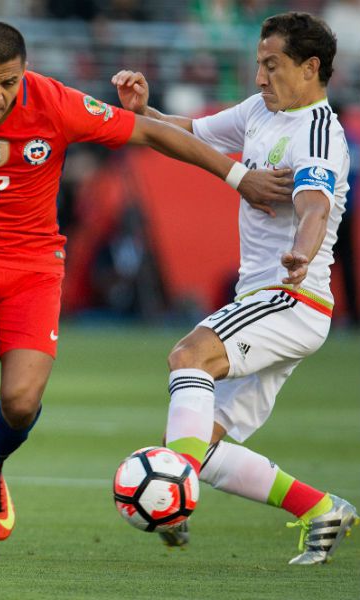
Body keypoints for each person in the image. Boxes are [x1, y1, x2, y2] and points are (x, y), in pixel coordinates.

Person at [0, 21, 293, 557]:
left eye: (8, 82)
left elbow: (152, 133)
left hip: (33, 264)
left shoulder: (54, 102)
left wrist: (238, 178)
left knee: (20, 404)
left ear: (24, 74)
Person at [112, 11, 357, 565]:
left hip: (291, 298)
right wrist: (144, 112)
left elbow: (315, 204)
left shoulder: (317, 133)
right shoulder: (259, 112)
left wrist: (304, 249)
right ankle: (321, 509)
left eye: (272, 66)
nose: (260, 78)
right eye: (258, 65)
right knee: (203, 448)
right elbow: (192, 133)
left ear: (310, 68)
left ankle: (170, 502)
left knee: (188, 356)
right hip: (266, 303)